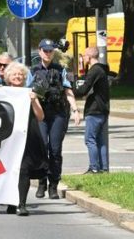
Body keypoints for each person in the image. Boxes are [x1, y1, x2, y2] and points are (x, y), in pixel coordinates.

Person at [29, 38, 80, 199]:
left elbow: (68, 91)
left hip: (58, 113)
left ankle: (53, 185)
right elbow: (25, 91)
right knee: (42, 147)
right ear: (40, 51)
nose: (48, 53)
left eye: (50, 51)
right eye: (45, 50)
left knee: (55, 150)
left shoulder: (60, 70)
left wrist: (75, 109)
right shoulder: (33, 71)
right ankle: (41, 182)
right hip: (40, 114)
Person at [6, 62, 47, 216]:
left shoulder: (29, 93)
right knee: (8, 171)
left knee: (23, 169)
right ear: (8, 77)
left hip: (27, 137)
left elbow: (40, 116)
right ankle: (11, 202)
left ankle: (21, 203)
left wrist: (34, 100)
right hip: (7, 139)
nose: (17, 77)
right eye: (14, 74)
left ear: (24, 77)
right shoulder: (2, 92)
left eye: (20, 74)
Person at [74, 46, 110, 174]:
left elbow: (83, 89)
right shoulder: (102, 69)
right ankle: (103, 168)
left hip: (94, 110)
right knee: (100, 140)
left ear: (89, 57)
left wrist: (70, 91)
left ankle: (94, 168)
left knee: (90, 139)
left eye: (84, 55)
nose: (83, 58)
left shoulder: (94, 70)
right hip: (102, 109)